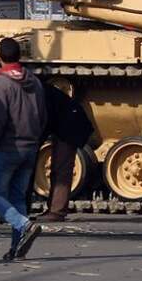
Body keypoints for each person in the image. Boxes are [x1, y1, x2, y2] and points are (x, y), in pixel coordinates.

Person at [0, 37, 47, 260]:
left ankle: (24, 225)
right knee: (18, 196)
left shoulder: (1, 82)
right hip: (30, 145)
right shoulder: (33, 80)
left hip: (7, 145)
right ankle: (16, 247)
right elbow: (42, 115)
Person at [37, 84, 95, 222]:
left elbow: (41, 125)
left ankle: (57, 211)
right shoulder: (37, 90)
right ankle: (55, 209)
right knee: (60, 168)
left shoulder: (35, 96)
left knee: (61, 168)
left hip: (70, 123)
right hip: (66, 119)